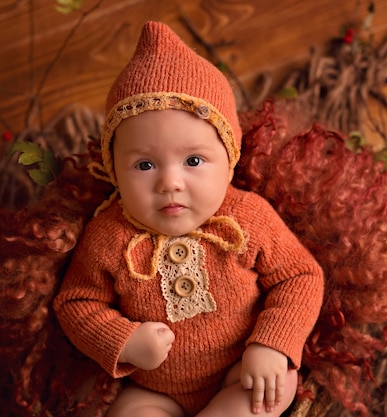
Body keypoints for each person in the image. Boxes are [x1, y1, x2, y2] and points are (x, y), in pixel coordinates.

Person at [53, 21, 324, 417]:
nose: (170, 182)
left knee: (277, 384)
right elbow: (76, 303)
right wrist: (124, 341)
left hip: (240, 371)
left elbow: (299, 277)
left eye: (193, 161)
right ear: (113, 170)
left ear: (229, 161)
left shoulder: (247, 218)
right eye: (144, 164)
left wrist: (271, 343)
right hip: (154, 391)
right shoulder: (110, 236)